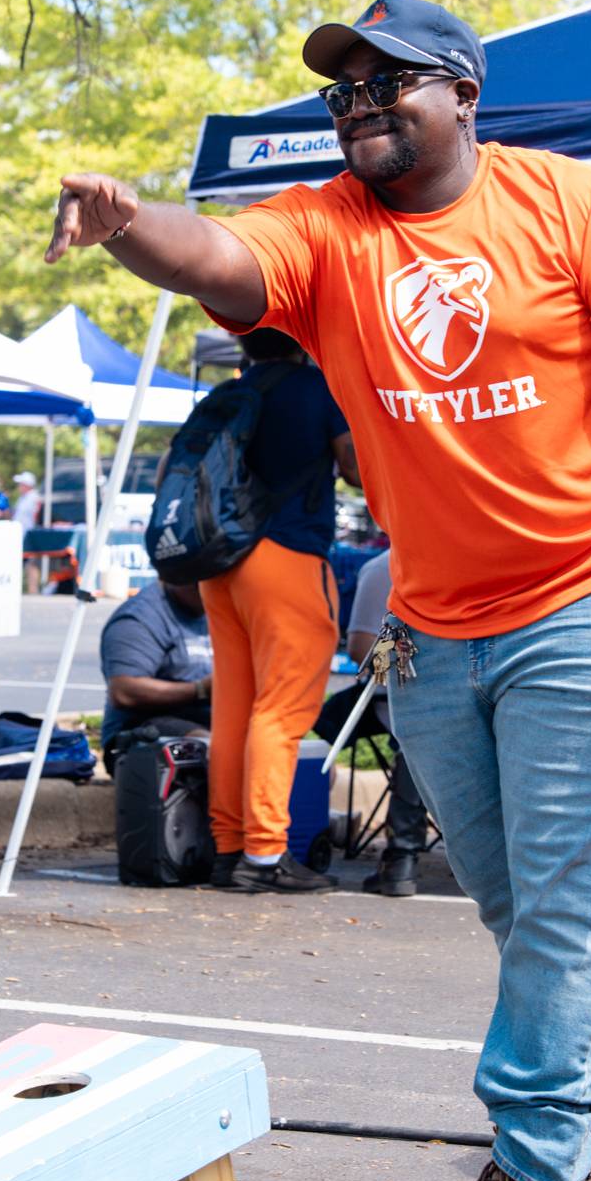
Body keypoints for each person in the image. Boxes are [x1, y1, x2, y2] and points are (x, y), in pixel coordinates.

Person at [46, 0, 591, 1181]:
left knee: (567, 901)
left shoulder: (579, 212)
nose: (361, 108)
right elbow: (222, 258)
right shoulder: (328, 228)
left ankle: (532, 1176)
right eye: (345, 92)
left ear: (464, 95)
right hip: (435, 619)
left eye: (390, 85)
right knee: (515, 902)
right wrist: (132, 224)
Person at [195, 329, 359, 895]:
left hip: (220, 563)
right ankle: (264, 854)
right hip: (287, 557)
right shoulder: (315, 389)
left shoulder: (225, 394)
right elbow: (354, 467)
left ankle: (228, 847)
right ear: (302, 340)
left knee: (233, 710)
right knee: (281, 710)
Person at [313, 547, 433, 896]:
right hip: (399, 695)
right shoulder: (383, 567)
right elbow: (361, 649)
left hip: (471, 692)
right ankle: (401, 855)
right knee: (423, 725)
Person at [98, 578, 213, 775]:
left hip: (209, 719)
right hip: (144, 730)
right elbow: (124, 692)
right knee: (207, 745)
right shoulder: (139, 618)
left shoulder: (221, 609)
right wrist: (201, 689)